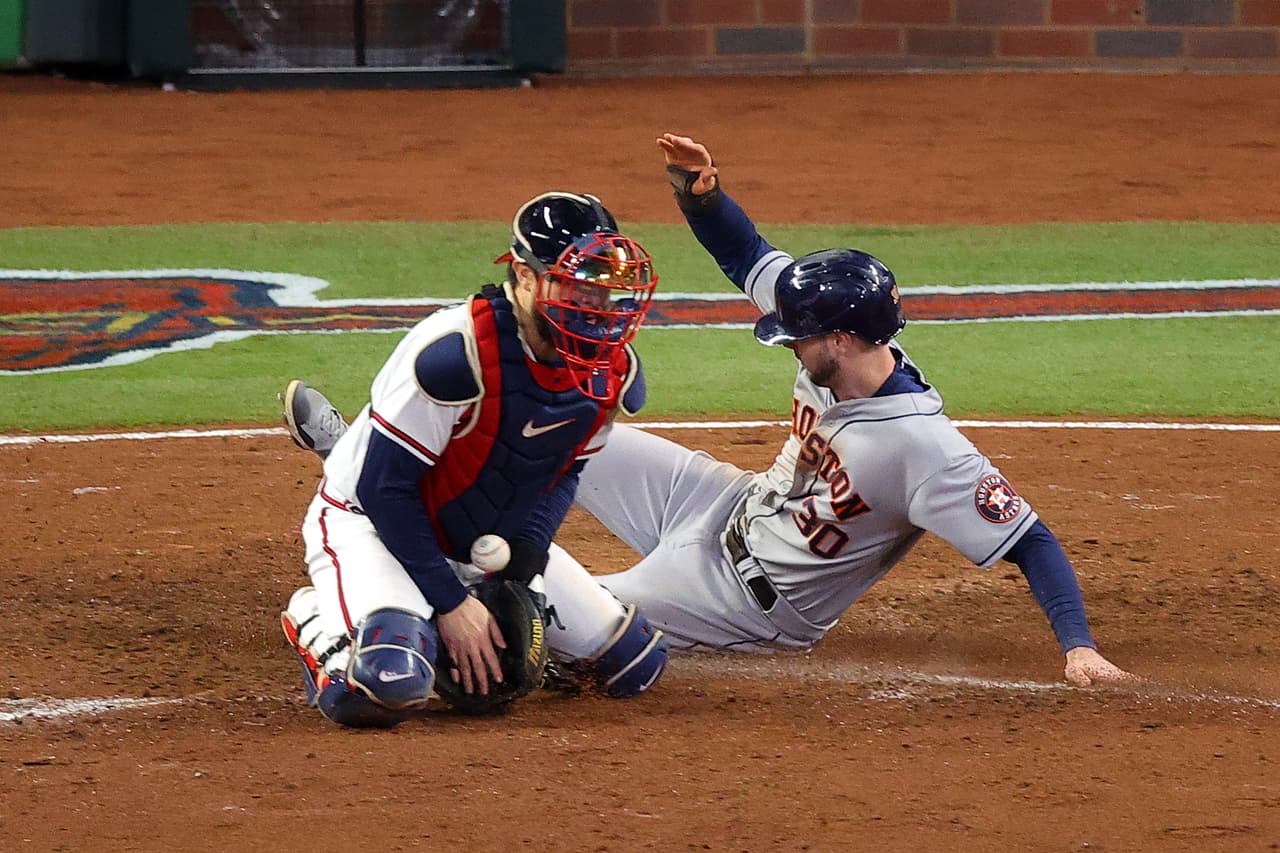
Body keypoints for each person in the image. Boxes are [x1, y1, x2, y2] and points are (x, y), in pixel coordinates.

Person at [567, 133, 1133, 688]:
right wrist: (700, 195)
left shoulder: (922, 449)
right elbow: (744, 253)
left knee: (562, 612)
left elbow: (1031, 540)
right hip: (724, 503)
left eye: (797, 337)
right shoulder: (825, 317)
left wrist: (1079, 648)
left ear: (840, 339)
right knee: (570, 428)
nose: (788, 343)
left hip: (740, 602)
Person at [278, 191, 670, 728]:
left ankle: (425, 613)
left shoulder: (609, 371)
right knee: (385, 686)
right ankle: (318, 620)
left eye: (602, 289)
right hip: (368, 520)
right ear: (527, 277)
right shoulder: (454, 355)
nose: (597, 307)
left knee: (633, 665)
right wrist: (452, 605)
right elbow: (383, 490)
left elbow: (563, 472)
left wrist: (523, 571)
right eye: (578, 287)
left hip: (475, 535)